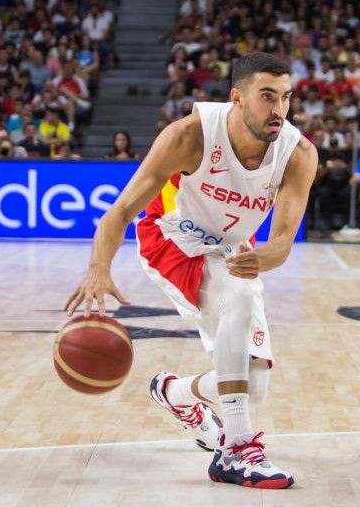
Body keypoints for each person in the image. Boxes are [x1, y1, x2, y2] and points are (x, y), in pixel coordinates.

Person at [64, 52, 317, 490]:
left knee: (252, 387)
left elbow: (281, 245)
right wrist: (97, 268)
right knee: (237, 294)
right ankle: (236, 449)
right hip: (173, 238)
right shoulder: (190, 135)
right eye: (267, 97)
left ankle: (176, 394)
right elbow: (121, 210)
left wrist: (267, 257)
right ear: (237, 98)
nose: (278, 109)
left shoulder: (298, 154)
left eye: (286, 98)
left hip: (234, 250)